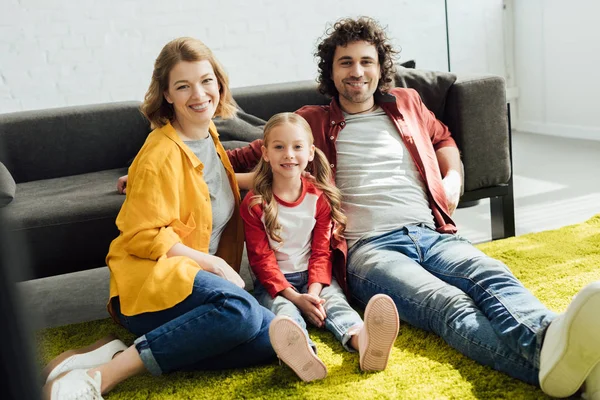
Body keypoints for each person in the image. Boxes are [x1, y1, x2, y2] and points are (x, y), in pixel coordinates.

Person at [225, 17, 600, 399]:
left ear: (380, 67)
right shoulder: (310, 122)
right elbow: (236, 161)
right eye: (346, 62)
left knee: (492, 273)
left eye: (366, 61)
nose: (357, 71)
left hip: (430, 232)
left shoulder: (408, 104)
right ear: (331, 72)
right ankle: (572, 371)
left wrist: (453, 177)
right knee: (447, 303)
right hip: (368, 249)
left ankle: (552, 341)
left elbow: (444, 139)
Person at [42, 37, 276, 400]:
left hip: (190, 285)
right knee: (241, 313)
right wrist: (210, 262)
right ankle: (102, 375)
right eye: (183, 86)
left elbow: (205, 185)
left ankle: (124, 349)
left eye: (206, 80)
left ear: (219, 83)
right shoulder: (160, 153)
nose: (198, 94)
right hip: (150, 289)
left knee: (272, 338)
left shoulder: (207, 135)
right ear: (167, 94)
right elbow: (139, 235)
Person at [240, 112, 399, 382]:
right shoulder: (255, 204)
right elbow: (261, 261)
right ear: (265, 153)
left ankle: (364, 342)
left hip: (315, 279)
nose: (289, 154)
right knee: (284, 315)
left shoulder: (319, 198)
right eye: (279, 147)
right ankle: (303, 355)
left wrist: (313, 293)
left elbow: (321, 252)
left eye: (297, 147)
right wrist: (296, 298)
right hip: (276, 285)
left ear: (311, 153)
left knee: (334, 303)